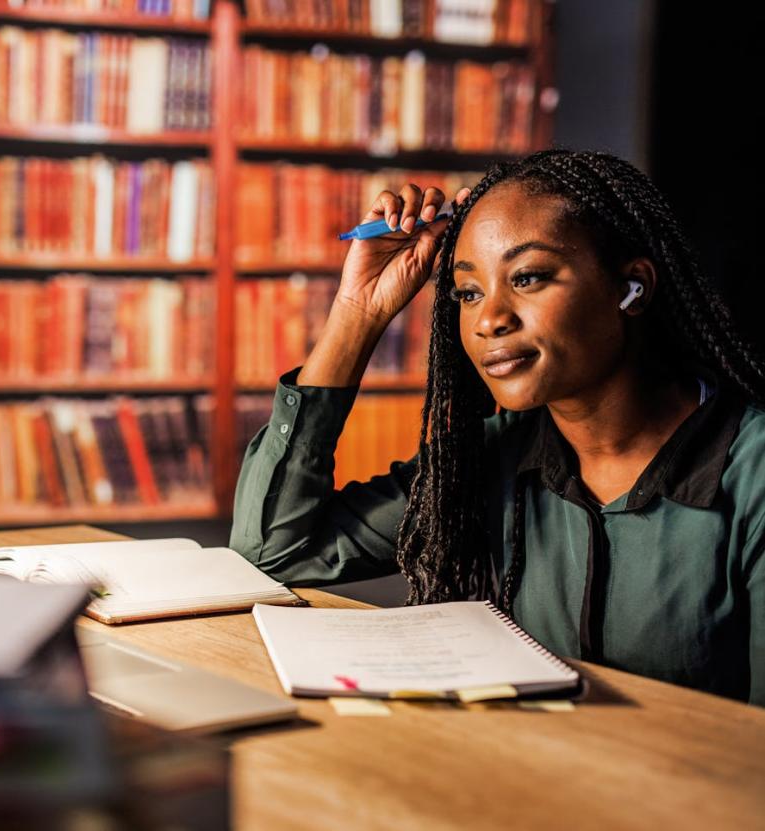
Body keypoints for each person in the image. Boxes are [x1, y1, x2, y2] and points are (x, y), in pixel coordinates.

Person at [229, 148, 765, 707]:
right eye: (468, 292)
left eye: (528, 277)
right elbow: (271, 554)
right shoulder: (491, 456)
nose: (489, 320)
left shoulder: (752, 474)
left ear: (632, 287)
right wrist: (357, 312)